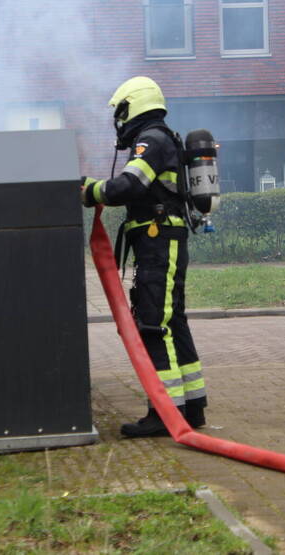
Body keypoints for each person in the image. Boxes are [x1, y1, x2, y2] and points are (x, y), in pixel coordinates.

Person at [81, 76, 207, 437]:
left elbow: (129, 185)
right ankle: (192, 407)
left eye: (119, 112)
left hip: (158, 240)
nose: (117, 121)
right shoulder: (161, 137)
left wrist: (90, 190)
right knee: (174, 321)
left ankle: (164, 414)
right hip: (162, 238)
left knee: (155, 323)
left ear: (131, 106)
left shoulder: (150, 140)